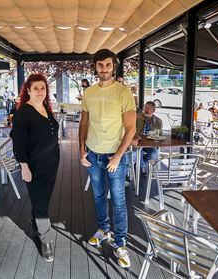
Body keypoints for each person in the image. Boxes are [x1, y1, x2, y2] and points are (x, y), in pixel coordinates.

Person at [79, 49, 136, 268]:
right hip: (93, 154)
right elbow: (84, 124)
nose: (104, 69)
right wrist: (81, 150)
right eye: (100, 65)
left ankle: (121, 243)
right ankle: (103, 229)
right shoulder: (89, 93)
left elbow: (130, 129)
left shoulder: (123, 92)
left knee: (119, 201)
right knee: (98, 196)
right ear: (95, 67)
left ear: (114, 67)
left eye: (108, 65)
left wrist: (118, 157)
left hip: (115, 157)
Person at [10, 74, 60, 262]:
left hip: (52, 164)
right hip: (34, 166)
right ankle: (45, 241)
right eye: (36, 88)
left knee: (43, 201)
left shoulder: (46, 108)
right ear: (28, 91)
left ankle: (35, 225)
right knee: (40, 205)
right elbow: (18, 143)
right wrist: (24, 167)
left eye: (43, 88)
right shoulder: (23, 112)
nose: (40, 91)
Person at [132, 101, 163, 174]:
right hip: (137, 143)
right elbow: (131, 130)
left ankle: (147, 166)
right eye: (145, 108)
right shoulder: (138, 118)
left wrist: (156, 137)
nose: (145, 110)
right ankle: (142, 168)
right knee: (138, 153)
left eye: (148, 108)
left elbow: (160, 134)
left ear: (154, 110)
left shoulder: (158, 121)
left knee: (154, 154)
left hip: (150, 144)